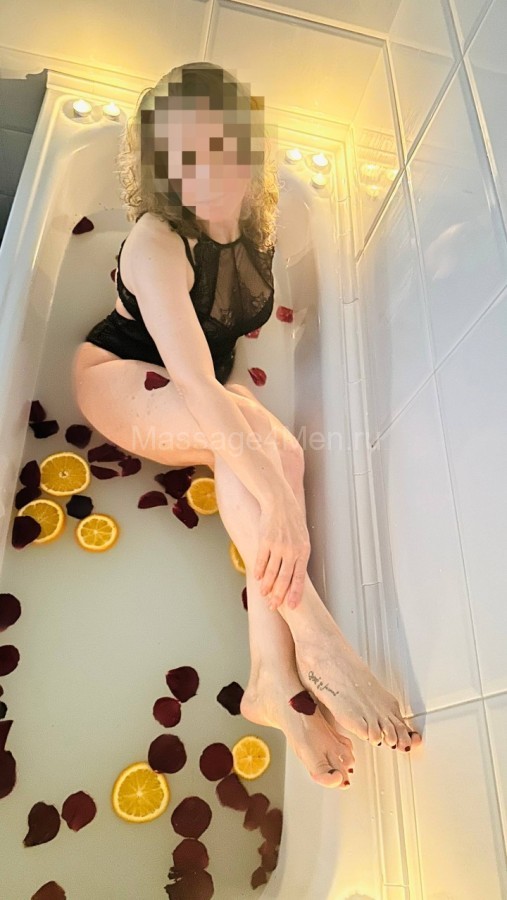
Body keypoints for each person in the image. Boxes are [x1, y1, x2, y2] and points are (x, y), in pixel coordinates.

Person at [72, 61, 422, 791]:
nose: (206, 170)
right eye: (183, 154)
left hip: (202, 389)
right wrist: (284, 510)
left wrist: (279, 492)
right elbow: (197, 384)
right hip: (121, 379)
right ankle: (315, 641)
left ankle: (270, 680)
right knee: (266, 461)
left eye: (221, 142)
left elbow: (217, 368)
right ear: (162, 164)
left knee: (281, 453)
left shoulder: (260, 216)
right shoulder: (156, 242)